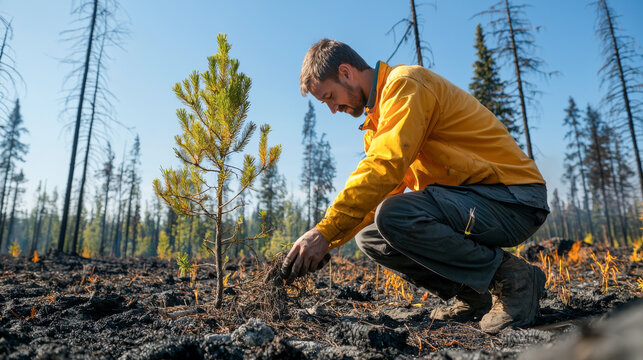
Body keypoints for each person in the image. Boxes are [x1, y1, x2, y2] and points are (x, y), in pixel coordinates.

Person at [281, 38, 549, 334]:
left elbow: (384, 166)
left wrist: (323, 231)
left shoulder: (405, 84)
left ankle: (514, 279)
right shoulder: (378, 125)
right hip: (473, 202)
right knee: (371, 237)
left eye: (329, 96)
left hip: (512, 199)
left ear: (346, 72)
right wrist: (326, 242)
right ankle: (473, 294)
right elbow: (378, 195)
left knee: (393, 215)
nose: (333, 109)